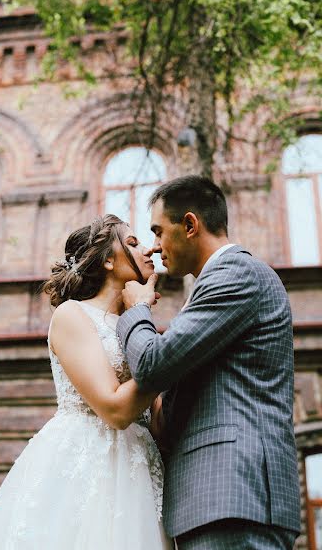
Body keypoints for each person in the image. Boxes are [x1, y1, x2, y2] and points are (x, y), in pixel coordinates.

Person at [0, 214, 172, 550]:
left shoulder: (136, 325)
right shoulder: (72, 315)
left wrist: (143, 320)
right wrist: (169, 359)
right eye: (133, 243)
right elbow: (116, 411)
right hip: (87, 459)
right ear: (107, 260)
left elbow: (159, 424)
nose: (149, 250)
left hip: (140, 468)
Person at [116, 175, 301, 550]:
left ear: (189, 225)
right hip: (217, 500)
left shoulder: (236, 274)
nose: (154, 247)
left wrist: (136, 310)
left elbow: (153, 364)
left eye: (158, 231)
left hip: (234, 496)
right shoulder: (213, 283)